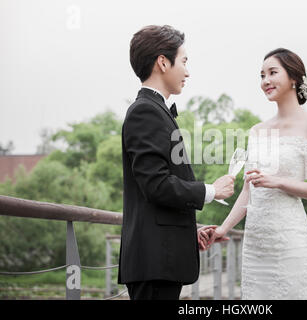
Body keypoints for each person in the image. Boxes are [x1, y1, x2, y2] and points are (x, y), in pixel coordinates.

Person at [201, 48, 307, 300]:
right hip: (255, 245)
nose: (265, 81)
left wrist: (279, 182)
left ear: (294, 78)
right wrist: (223, 228)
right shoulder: (258, 130)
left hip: (290, 240)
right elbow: (249, 191)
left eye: (273, 73)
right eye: (262, 75)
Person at [118, 25, 235, 300]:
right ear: (162, 62)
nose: (187, 71)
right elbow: (156, 185)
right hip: (154, 263)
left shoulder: (154, 110)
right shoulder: (145, 111)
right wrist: (211, 191)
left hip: (160, 259)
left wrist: (187, 232)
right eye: (183, 61)